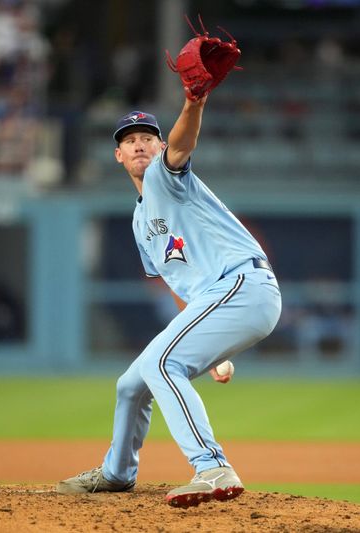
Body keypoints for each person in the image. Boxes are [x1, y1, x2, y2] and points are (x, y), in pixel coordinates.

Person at [56, 96, 282, 507]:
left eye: (147, 137)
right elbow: (182, 289)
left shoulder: (166, 177)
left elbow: (183, 142)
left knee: (163, 363)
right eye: (130, 140)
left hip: (242, 285)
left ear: (159, 149)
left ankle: (212, 466)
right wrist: (213, 354)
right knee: (131, 385)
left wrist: (194, 102)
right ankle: (117, 472)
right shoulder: (141, 221)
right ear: (118, 155)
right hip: (219, 298)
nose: (140, 144)